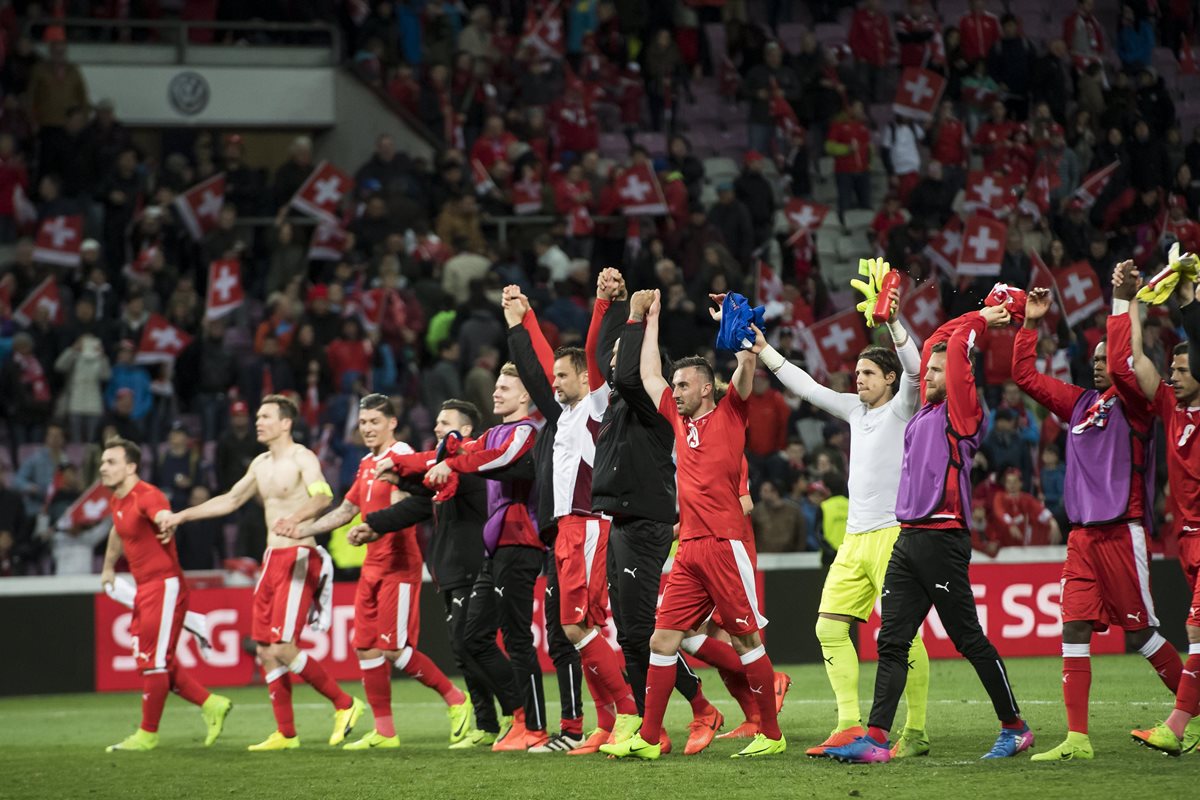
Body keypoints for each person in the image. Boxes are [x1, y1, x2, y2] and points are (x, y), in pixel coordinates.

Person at [828, 306, 1032, 763]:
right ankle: (877, 739)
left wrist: (986, 316)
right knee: (892, 640)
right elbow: (936, 343)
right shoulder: (924, 412)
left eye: (938, 370)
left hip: (943, 537)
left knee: (968, 640)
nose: (928, 374)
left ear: (960, 375)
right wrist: (895, 318)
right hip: (909, 538)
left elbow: (956, 346)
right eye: (929, 369)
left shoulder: (962, 412)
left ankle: (1015, 727)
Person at [602, 291, 786, 760]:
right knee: (662, 639)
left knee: (746, 640)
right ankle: (647, 737)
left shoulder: (731, 412)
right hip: (688, 549)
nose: (675, 391)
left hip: (725, 545)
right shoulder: (677, 421)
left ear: (706, 388)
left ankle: (770, 732)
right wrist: (652, 319)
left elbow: (744, 373)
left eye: (683, 386)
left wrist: (743, 339)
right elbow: (646, 375)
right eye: (675, 386)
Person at [754, 281, 932, 758]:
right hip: (854, 541)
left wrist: (892, 322)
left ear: (890, 380)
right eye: (857, 372)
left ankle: (915, 732)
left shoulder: (902, 407)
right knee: (829, 626)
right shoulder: (855, 410)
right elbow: (808, 387)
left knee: (901, 635)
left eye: (869, 373)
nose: (858, 379)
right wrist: (766, 350)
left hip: (895, 536)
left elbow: (916, 370)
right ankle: (849, 724)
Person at [160, 395, 364, 751]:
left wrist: (296, 520)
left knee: (284, 647)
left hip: (299, 555)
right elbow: (230, 500)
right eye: (257, 416)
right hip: (272, 559)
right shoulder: (259, 464)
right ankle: (286, 733)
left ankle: (345, 704)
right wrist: (181, 516)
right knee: (266, 651)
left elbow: (322, 496)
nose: (258, 421)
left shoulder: (303, 457)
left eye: (265, 416)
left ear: (286, 423)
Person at [281, 393, 470, 749]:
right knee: (366, 648)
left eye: (374, 422)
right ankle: (385, 731)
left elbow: (405, 509)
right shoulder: (367, 462)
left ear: (392, 423)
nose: (367, 429)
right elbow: (347, 508)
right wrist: (302, 529)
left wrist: (372, 529)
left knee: (395, 649)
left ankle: (455, 699)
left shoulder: (402, 457)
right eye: (363, 423)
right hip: (372, 565)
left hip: (399, 562)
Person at [499, 277, 640, 752]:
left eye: (564, 376)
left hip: (586, 524)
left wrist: (603, 304)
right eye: (555, 376)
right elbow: (539, 363)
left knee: (578, 627)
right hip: (566, 529)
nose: (554, 381)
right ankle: (605, 721)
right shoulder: (566, 416)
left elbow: (597, 351)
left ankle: (629, 713)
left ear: (585, 378)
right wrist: (525, 317)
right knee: (585, 628)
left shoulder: (596, 405)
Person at [591, 270, 719, 756]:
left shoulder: (649, 398)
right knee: (630, 632)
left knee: (644, 631)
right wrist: (610, 304)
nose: (615, 363)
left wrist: (635, 317)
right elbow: (607, 364)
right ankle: (655, 726)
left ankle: (699, 709)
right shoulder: (623, 400)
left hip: (645, 522)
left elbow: (623, 371)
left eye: (628, 350)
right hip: (622, 518)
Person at [350, 399, 525, 750]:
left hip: (475, 564)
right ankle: (487, 723)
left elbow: (421, 495)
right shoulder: (446, 468)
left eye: (445, 423)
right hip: (449, 566)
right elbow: (424, 497)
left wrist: (385, 499)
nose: (437, 428)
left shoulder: (470, 467)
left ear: (466, 431)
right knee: (463, 650)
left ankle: (517, 713)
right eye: (437, 422)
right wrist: (378, 515)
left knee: (474, 643)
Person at [422, 364, 551, 751]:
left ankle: (535, 725)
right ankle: (518, 713)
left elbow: (499, 460)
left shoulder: (527, 431)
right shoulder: (494, 433)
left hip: (520, 542)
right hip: (494, 547)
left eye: (505, 387)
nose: (495, 392)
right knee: (471, 637)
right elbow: (465, 453)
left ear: (525, 396)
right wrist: (439, 456)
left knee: (515, 637)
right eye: (495, 386)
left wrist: (455, 460)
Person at [1110, 266, 1200, 756]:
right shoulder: (1169, 406)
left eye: (1183, 370)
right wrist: (1130, 302)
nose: (1173, 377)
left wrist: (1190, 297)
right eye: (1173, 371)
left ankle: (1178, 725)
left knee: (1194, 629)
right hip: (1185, 536)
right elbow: (1132, 360)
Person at [98, 438, 231, 752]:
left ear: (131, 467)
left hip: (164, 585)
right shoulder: (118, 500)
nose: (103, 468)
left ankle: (147, 734)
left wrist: (165, 522)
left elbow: (159, 513)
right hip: (145, 588)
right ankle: (211, 703)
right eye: (103, 462)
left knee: (154, 663)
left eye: (111, 462)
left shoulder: (147, 494)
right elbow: (117, 530)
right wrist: (108, 567)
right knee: (153, 659)